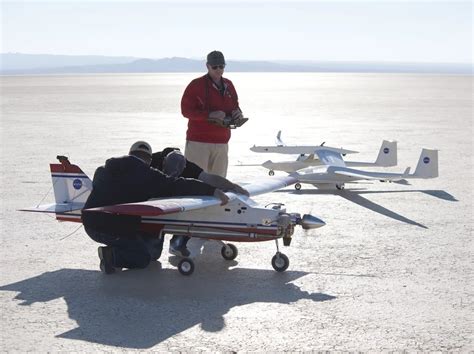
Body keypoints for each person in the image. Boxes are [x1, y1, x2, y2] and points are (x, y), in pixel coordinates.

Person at [81, 141, 228, 274]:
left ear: (130, 154)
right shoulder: (147, 175)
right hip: (109, 227)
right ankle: (111, 256)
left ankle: (119, 248)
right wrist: (211, 190)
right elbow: (177, 185)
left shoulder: (104, 169)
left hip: (90, 222)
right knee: (142, 258)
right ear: (149, 160)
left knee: (152, 253)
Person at [151, 147, 249, 257]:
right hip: (152, 197)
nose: (171, 176)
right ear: (163, 162)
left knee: (192, 206)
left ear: (184, 167)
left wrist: (233, 186)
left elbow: (209, 178)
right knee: (153, 255)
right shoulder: (152, 160)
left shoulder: (190, 168)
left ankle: (178, 241)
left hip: (176, 196)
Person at [181, 50, 247, 178]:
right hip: (198, 143)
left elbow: (235, 106)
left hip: (222, 143)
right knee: (195, 183)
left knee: (219, 184)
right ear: (207, 66)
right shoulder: (196, 85)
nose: (218, 70)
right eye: (214, 67)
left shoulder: (229, 85)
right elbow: (186, 111)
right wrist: (209, 115)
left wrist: (237, 114)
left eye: (221, 66)